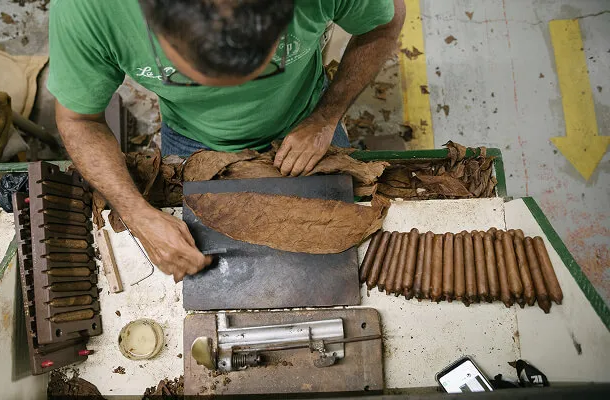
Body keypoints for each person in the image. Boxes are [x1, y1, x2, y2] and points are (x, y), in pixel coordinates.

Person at [48, 0, 405, 282]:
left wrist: (326, 117)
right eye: (202, 76)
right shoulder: (89, 8)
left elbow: (385, 24)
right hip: (191, 138)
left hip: (308, 119)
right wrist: (135, 212)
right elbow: (80, 121)